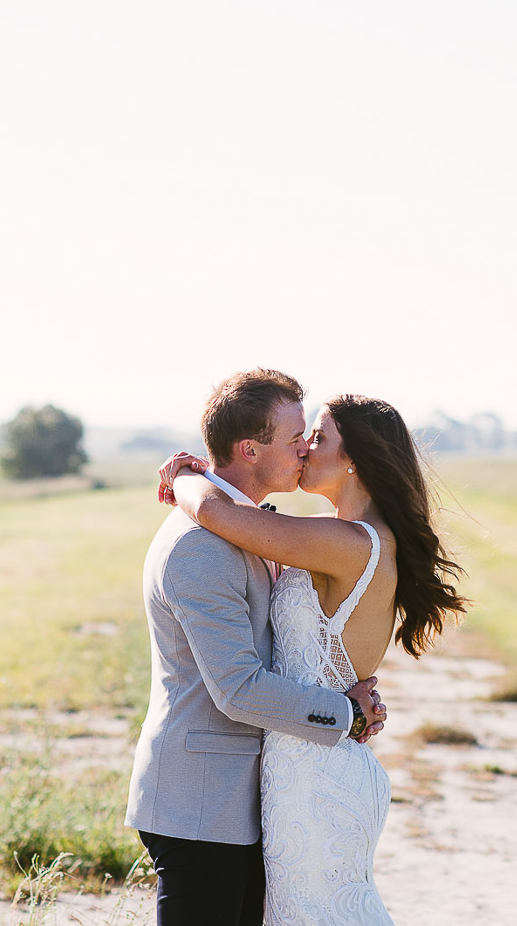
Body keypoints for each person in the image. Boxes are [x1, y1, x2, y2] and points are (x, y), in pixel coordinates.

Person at [157, 385, 470, 926]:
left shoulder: (347, 541)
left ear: (351, 460)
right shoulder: (356, 538)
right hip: (312, 763)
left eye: (317, 438)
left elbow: (213, 511)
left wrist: (185, 477)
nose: (304, 449)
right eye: (301, 437)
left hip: (316, 773)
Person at [126, 369, 389, 926]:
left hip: (248, 798)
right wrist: (347, 714)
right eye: (296, 439)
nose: (303, 450)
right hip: (201, 799)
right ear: (250, 448)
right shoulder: (202, 547)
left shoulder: (245, 528)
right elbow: (240, 688)